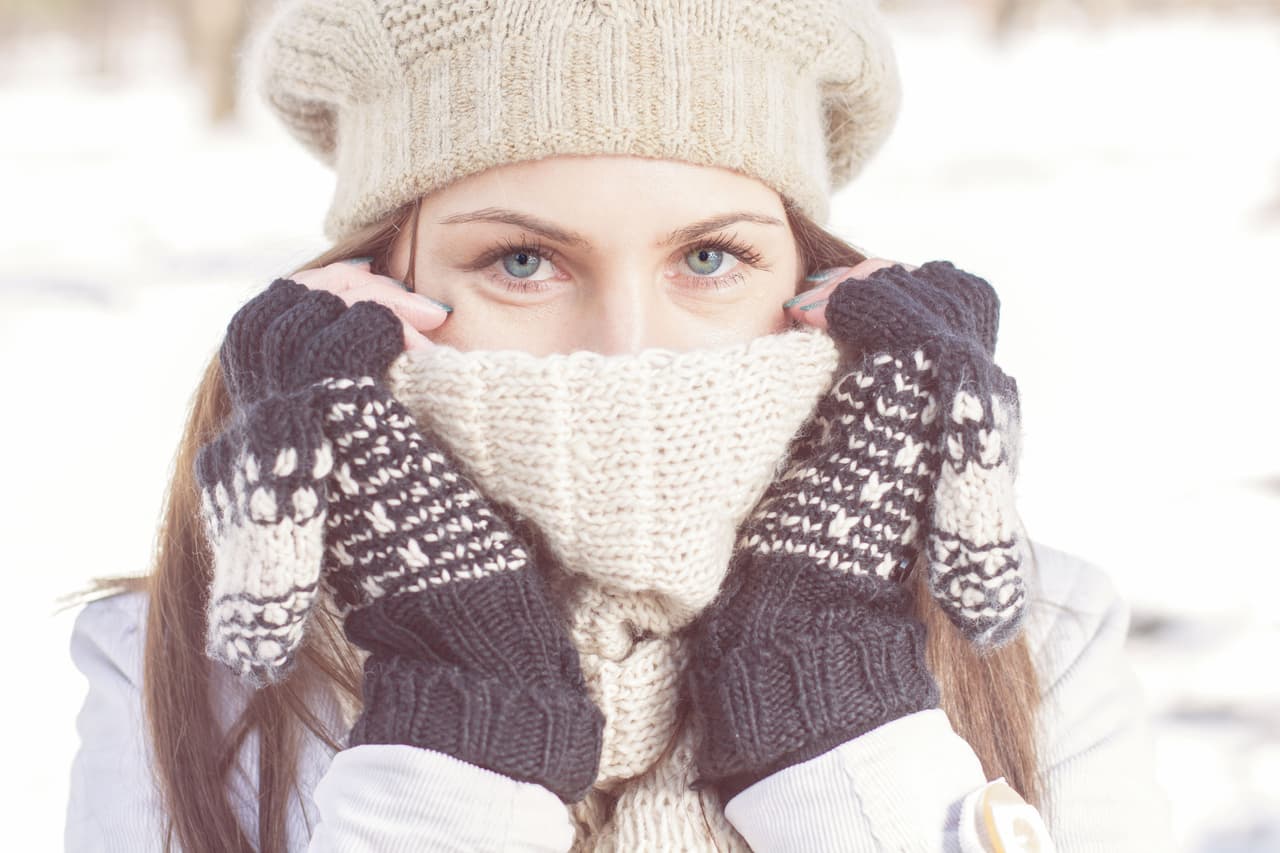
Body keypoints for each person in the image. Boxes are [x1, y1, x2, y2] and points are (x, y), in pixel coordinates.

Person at [63, 0, 1174, 850]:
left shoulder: (1034, 637)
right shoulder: (196, 672)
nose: (625, 346)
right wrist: (462, 715)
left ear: (819, 285)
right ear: (373, 295)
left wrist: (829, 698)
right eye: (521, 260)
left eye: (707, 257)